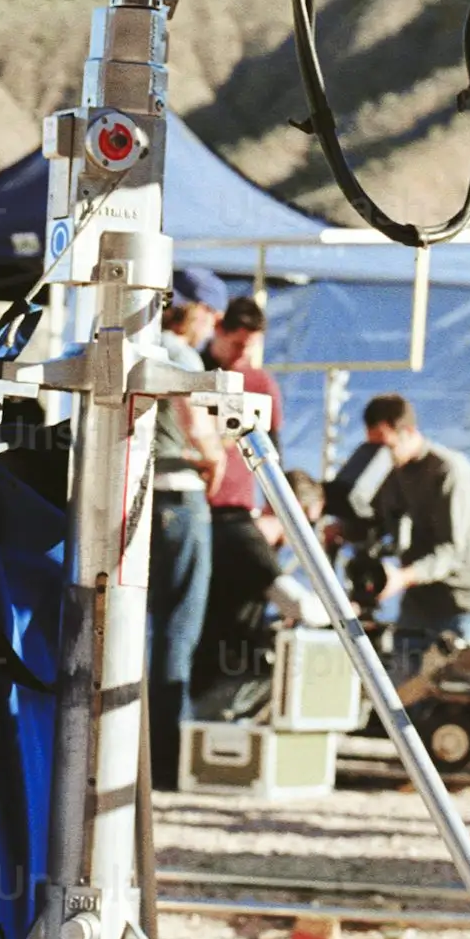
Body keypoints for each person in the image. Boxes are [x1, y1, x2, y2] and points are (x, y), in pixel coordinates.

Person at [143, 276, 225, 788]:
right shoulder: (181, 356)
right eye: (212, 318)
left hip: (132, 497)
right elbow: (194, 423)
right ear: (195, 311)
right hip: (179, 495)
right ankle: (165, 757)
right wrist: (215, 458)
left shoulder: (130, 344)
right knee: (178, 629)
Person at [359, 394, 470, 668]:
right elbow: (378, 521)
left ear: (409, 432)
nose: (380, 456)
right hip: (419, 607)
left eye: (386, 446)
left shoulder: (449, 471)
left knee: (466, 699)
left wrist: (402, 577)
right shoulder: (390, 471)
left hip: (465, 605)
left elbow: (452, 551)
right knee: (404, 694)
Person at [194, 294, 289, 718]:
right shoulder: (188, 372)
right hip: (196, 511)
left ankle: (227, 701)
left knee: (242, 609)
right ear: (219, 332)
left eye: (250, 347)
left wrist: (275, 516)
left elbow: (275, 453)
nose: (243, 355)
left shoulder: (261, 384)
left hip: (237, 512)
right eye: (237, 345)